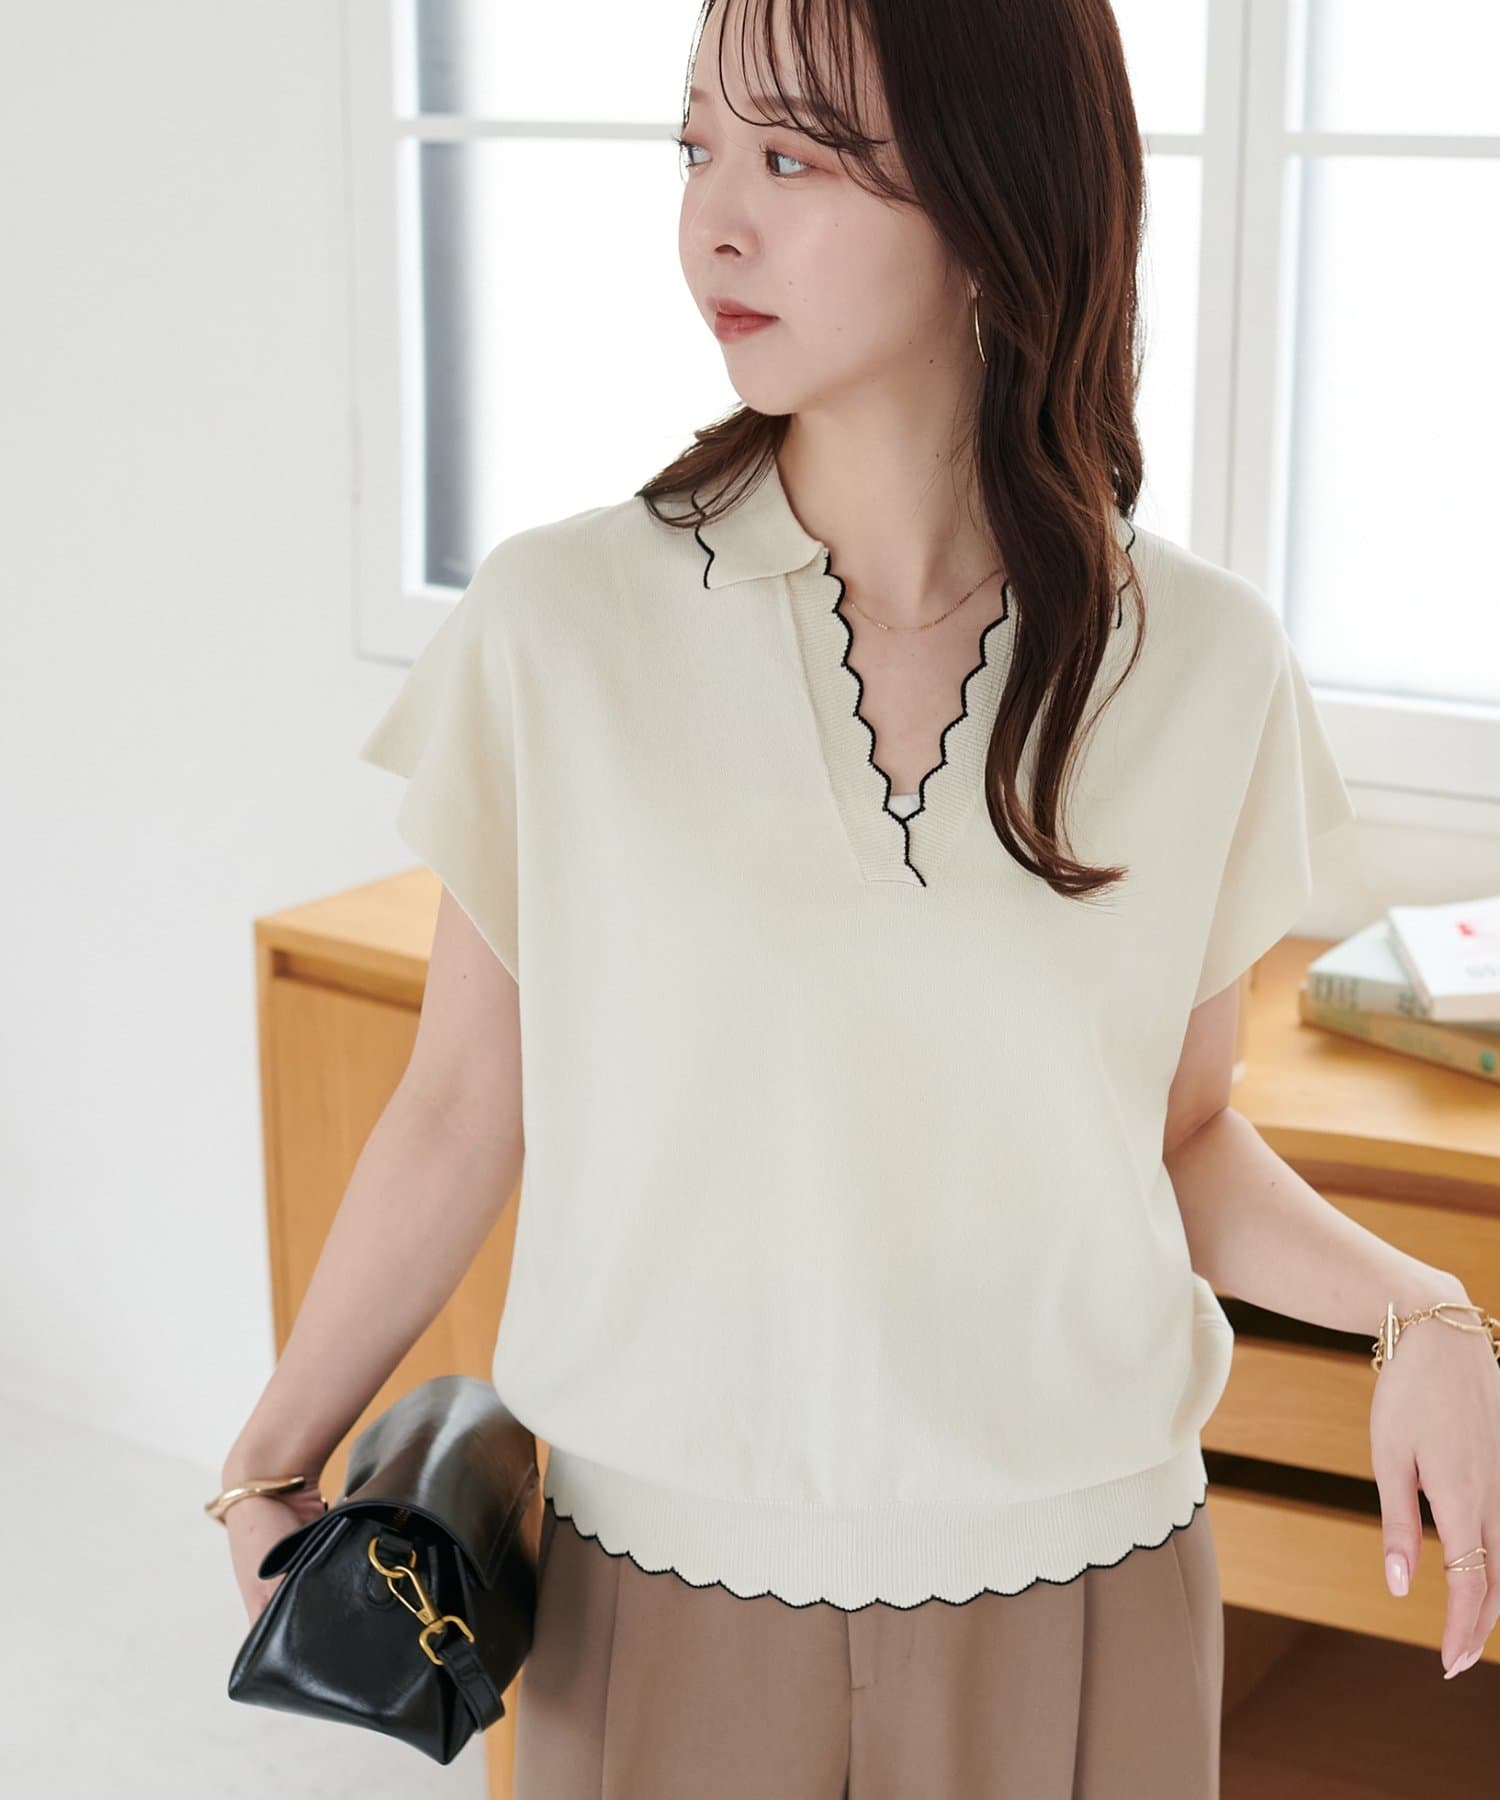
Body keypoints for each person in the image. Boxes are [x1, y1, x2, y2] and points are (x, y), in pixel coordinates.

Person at [215, 1, 1500, 1794]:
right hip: (656, 1591)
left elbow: (1182, 1132)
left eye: (794, 157)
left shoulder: (1203, 662)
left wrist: (1423, 1310)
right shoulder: (562, 628)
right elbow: (459, 1103)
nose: (714, 220)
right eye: (697, 147)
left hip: (1090, 1585)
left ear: (992, 204)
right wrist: (267, 1456)